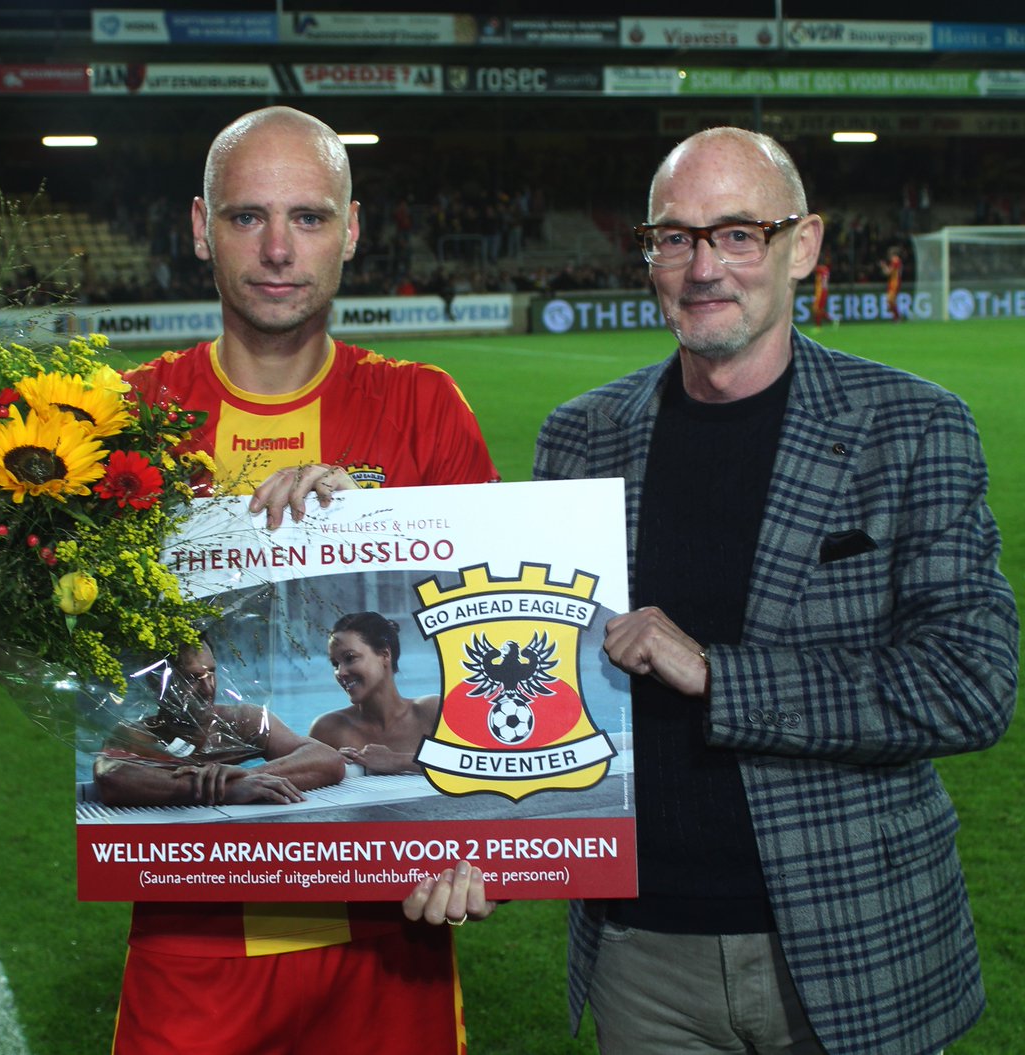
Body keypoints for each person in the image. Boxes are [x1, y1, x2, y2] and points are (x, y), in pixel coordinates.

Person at [0, 105, 498, 1055]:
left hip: (392, 937)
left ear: (353, 230)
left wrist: (486, 839)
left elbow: (485, 653)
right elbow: (63, 646)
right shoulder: (121, 426)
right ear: (196, 227)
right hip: (196, 934)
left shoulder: (423, 408)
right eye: (245, 216)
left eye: (307, 217)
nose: (276, 249)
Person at [534, 126, 1018, 1055]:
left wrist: (721, 675)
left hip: (856, 942)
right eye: (675, 237)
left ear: (803, 245)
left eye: (738, 233)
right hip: (643, 958)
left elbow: (971, 685)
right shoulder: (579, 439)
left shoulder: (913, 428)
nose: (704, 265)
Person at [93, 637, 344, 807]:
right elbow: (111, 778)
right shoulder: (138, 735)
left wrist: (249, 777)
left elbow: (328, 759)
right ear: (157, 682)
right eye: (193, 677)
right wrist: (222, 790)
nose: (208, 687)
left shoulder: (241, 721)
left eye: (211, 672)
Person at [310, 611, 438, 774]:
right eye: (335, 664)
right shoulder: (328, 729)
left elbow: (476, 760)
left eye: (350, 658)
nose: (340, 672)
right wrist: (330, 764)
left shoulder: (430, 712)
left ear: (384, 655)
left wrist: (396, 760)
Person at [880, 244, 904, 320]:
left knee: (890, 300)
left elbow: (888, 272)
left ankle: (897, 317)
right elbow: (887, 272)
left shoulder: (896, 261)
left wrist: (883, 266)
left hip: (895, 282)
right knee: (890, 301)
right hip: (892, 282)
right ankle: (896, 316)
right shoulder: (895, 262)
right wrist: (884, 267)